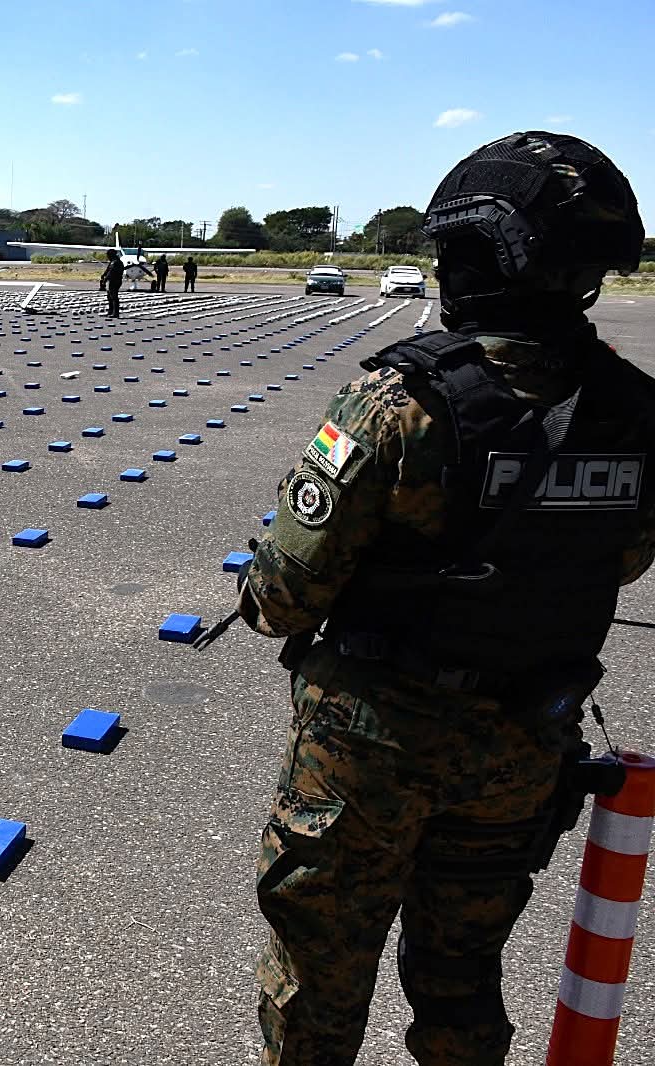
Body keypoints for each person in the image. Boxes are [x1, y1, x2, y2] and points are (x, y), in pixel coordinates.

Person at [234, 131, 651, 1066]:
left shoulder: (402, 400)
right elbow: (620, 563)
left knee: (318, 983)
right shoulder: (635, 411)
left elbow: (285, 596)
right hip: (522, 746)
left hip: (370, 750)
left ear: (479, 260)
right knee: (463, 979)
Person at [97, 248, 124, 317]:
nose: (107, 257)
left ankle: (115, 313)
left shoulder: (116, 262)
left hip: (116, 281)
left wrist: (105, 280)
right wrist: (103, 275)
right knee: (110, 296)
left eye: (108, 255)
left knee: (114, 296)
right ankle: (110, 311)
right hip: (113, 281)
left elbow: (111, 272)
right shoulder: (113, 261)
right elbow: (108, 270)